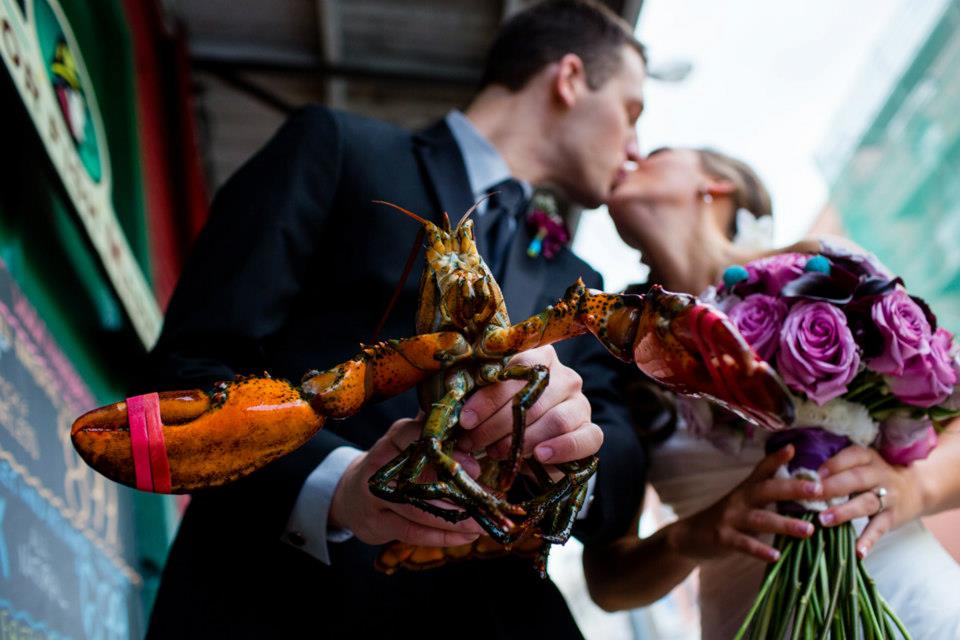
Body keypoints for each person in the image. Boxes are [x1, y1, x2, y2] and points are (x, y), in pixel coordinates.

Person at [145, 2, 648, 638]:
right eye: (632, 112)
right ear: (569, 78)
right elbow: (189, 368)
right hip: (280, 604)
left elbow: (624, 470)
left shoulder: (581, 281)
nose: (635, 148)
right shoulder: (338, 147)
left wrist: (572, 445)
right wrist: (343, 487)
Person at [582, 147, 960, 639]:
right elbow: (609, 585)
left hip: (912, 611)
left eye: (654, 153)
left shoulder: (823, 267)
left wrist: (914, 488)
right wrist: (688, 538)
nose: (628, 152)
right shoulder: (622, 363)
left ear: (715, 186)